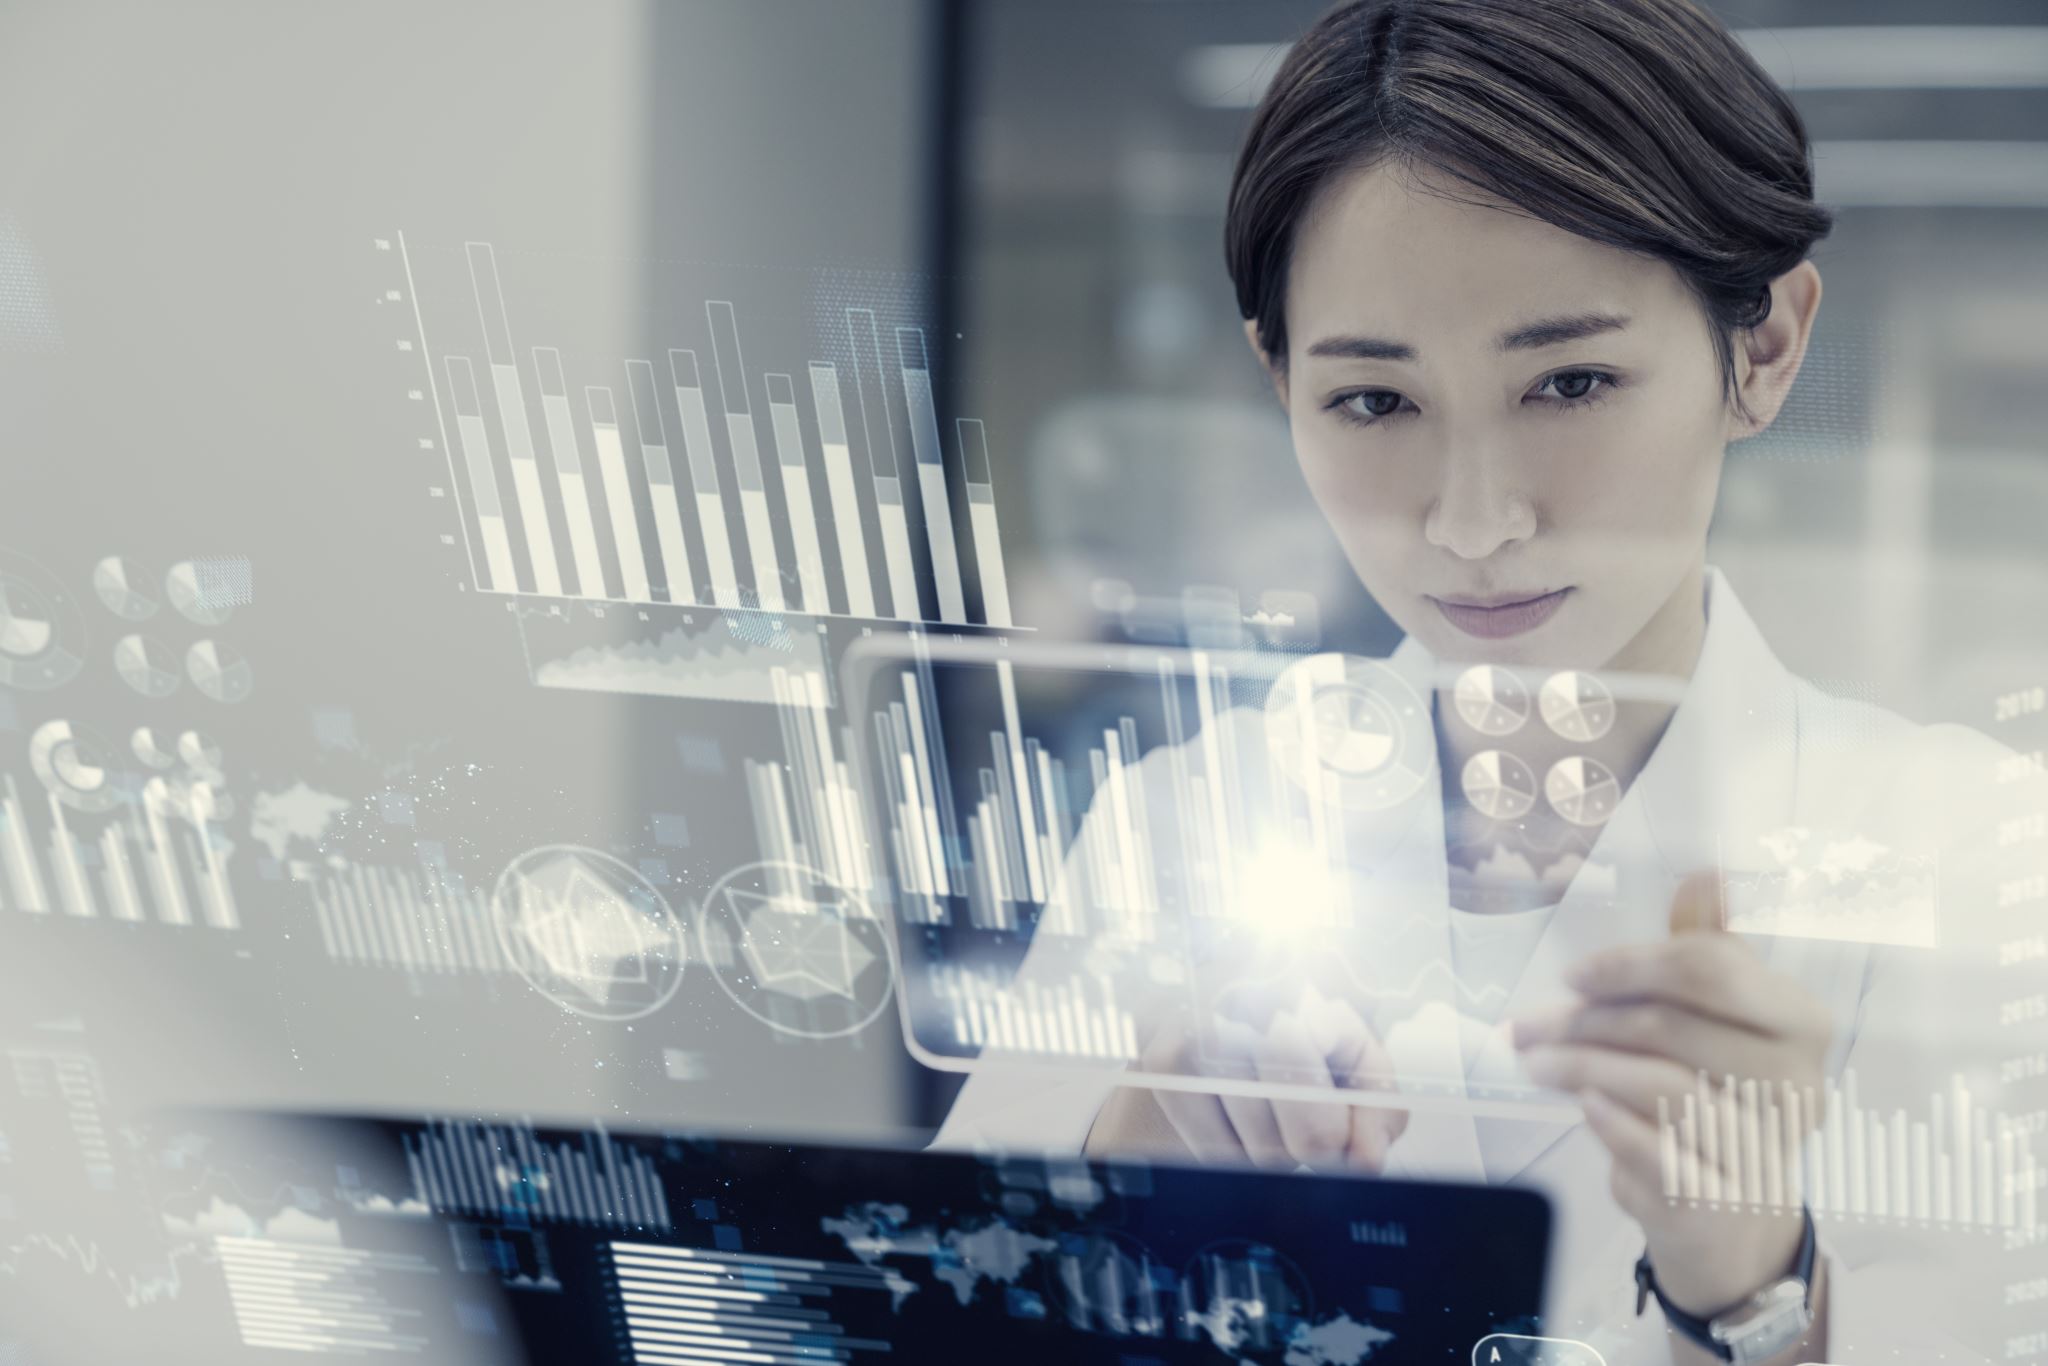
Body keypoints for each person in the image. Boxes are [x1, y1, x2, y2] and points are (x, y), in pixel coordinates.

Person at [933, 2, 2045, 1363]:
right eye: (1375, 402)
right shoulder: (1183, 826)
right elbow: (937, 1314)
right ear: (1276, 380)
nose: (1471, 520)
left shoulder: (1991, 854)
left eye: (1569, 381)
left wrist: (1753, 1285)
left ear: (1762, 351)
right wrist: (1141, 1157)